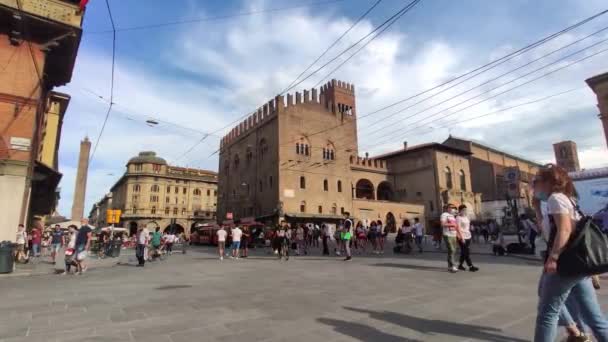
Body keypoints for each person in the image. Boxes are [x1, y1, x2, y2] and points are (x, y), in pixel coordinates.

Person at [533, 164, 608, 341]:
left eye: (537, 181)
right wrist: (536, 207)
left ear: (549, 182)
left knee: (547, 314)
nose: (535, 185)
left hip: (565, 263)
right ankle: (576, 332)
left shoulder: (555, 198)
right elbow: (549, 232)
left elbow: (565, 230)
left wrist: (553, 257)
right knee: (593, 316)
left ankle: (574, 330)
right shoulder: (566, 199)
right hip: (576, 264)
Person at [456, 205, 479, 272]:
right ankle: (471, 266)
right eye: (463, 210)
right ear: (460, 210)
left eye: (465, 210)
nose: (465, 211)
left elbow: (468, 226)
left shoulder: (466, 217)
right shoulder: (458, 218)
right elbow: (458, 228)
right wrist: (461, 237)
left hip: (468, 236)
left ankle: (460, 265)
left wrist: (471, 229)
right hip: (462, 237)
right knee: (466, 252)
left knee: (464, 252)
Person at [441, 203, 459, 273]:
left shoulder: (452, 216)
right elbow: (442, 224)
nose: (453, 209)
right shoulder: (444, 215)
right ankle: (453, 266)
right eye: (451, 207)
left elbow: (456, 226)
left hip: (453, 234)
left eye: (454, 207)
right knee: (452, 250)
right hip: (447, 234)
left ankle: (449, 266)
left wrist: (458, 234)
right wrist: (452, 224)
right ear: (447, 208)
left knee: (452, 251)